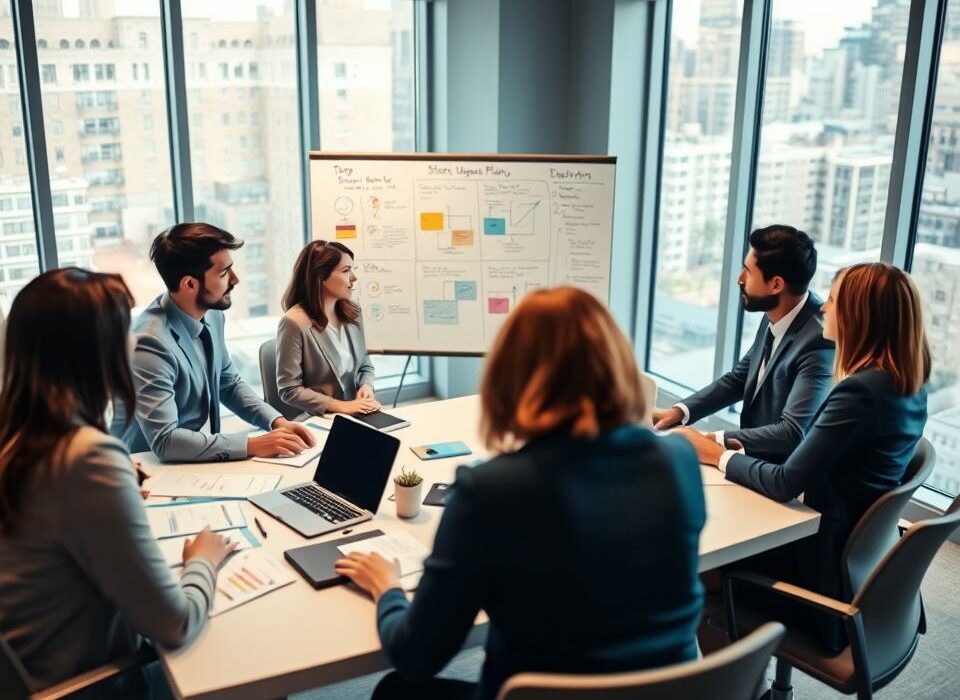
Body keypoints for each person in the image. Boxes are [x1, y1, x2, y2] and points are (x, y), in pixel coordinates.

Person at [335, 287, 706, 700]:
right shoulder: (679, 459)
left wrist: (387, 588)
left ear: (511, 376)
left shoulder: (490, 491)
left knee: (397, 690)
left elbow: (416, 655)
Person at [0, 268, 236, 697]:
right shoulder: (83, 456)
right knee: (239, 664)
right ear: (95, 353)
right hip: (90, 682)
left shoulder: (18, 436)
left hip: (35, 661)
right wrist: (203, 560)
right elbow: (175, 623)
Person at [680, 262, 929, 648]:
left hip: (817, 579)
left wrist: (716, 455)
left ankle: (730, 684)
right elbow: (830, 456)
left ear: (859, 316)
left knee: (687, 571)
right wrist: (737, 448)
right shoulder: (905, 383)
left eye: (832, 300)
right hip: (853, 566)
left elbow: (784, 483)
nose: (824, 309)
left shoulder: (860, 392)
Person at [113, 223, 314, 462]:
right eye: (223, 273)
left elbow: (228, 384)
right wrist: (253, 444)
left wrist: (277, 422)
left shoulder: (212, 314)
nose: (235, 279)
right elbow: (166, 441)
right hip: (145, 470)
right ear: (189, 284)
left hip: (189, 460)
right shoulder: (149, 344)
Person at [653, 225, 835, 463]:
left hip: (780, 478)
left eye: (748, 272)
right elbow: (738, 379)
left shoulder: (818, 341)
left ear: (776, 285)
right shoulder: (777, 310)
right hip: (750, 461)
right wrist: (678, 412)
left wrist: (711, 440)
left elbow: (791, 433)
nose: (740, 279)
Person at [276, 240, 379, 416]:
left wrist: (366, 386)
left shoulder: (353, 313)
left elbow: (365, 365)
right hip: (323, 417)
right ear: (321, 277)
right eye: (346, 271)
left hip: (359, 412)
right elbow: (289, 389)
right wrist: (339, 406)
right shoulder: (293, 322)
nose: (353, 278)